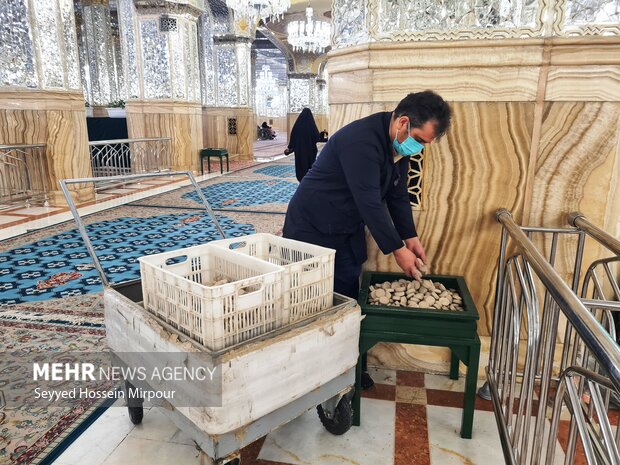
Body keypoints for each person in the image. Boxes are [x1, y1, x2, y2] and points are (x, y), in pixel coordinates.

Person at [282, 90, 451, 388]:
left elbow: (397, 195)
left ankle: (345, 366)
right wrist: (398, 250)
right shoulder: (360, 141)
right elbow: (370, 202)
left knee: (347, 293)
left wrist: (410, 236)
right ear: (403, 123)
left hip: (345, 226)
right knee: (311, 299)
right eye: (420, 141)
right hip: (312, 225)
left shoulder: (397, 144)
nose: (420, 148)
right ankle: (307, 371)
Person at [284, 108, 320, 182]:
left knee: (301, 165)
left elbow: (293, 136)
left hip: (300, 150)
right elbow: (316, 137)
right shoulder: (311, 125)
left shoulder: (297, 125)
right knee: (310, 164)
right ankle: (309, 179)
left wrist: (290, 147)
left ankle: (301, 179)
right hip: (310, 150)